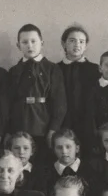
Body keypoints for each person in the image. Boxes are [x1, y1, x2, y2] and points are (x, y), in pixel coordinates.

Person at [8, 24, 67, 162]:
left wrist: (53, 129)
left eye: (33, 41)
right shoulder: (14, 71)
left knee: (42, 162)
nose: (30, 45)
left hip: (44, 126)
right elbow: (8, 103)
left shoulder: (52, 69)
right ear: (18, 45)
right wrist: (9, 131)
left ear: (42, 43)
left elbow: (60, 103)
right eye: (24, 42)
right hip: (20, 126)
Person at [57, 25, 100, 156]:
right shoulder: (55, 69)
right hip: (63, 123)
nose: (77, 45)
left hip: (89, 124)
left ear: (86, 45)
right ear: (63, 44)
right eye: (72, 40)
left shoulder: (95, 69)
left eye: (81, 41)